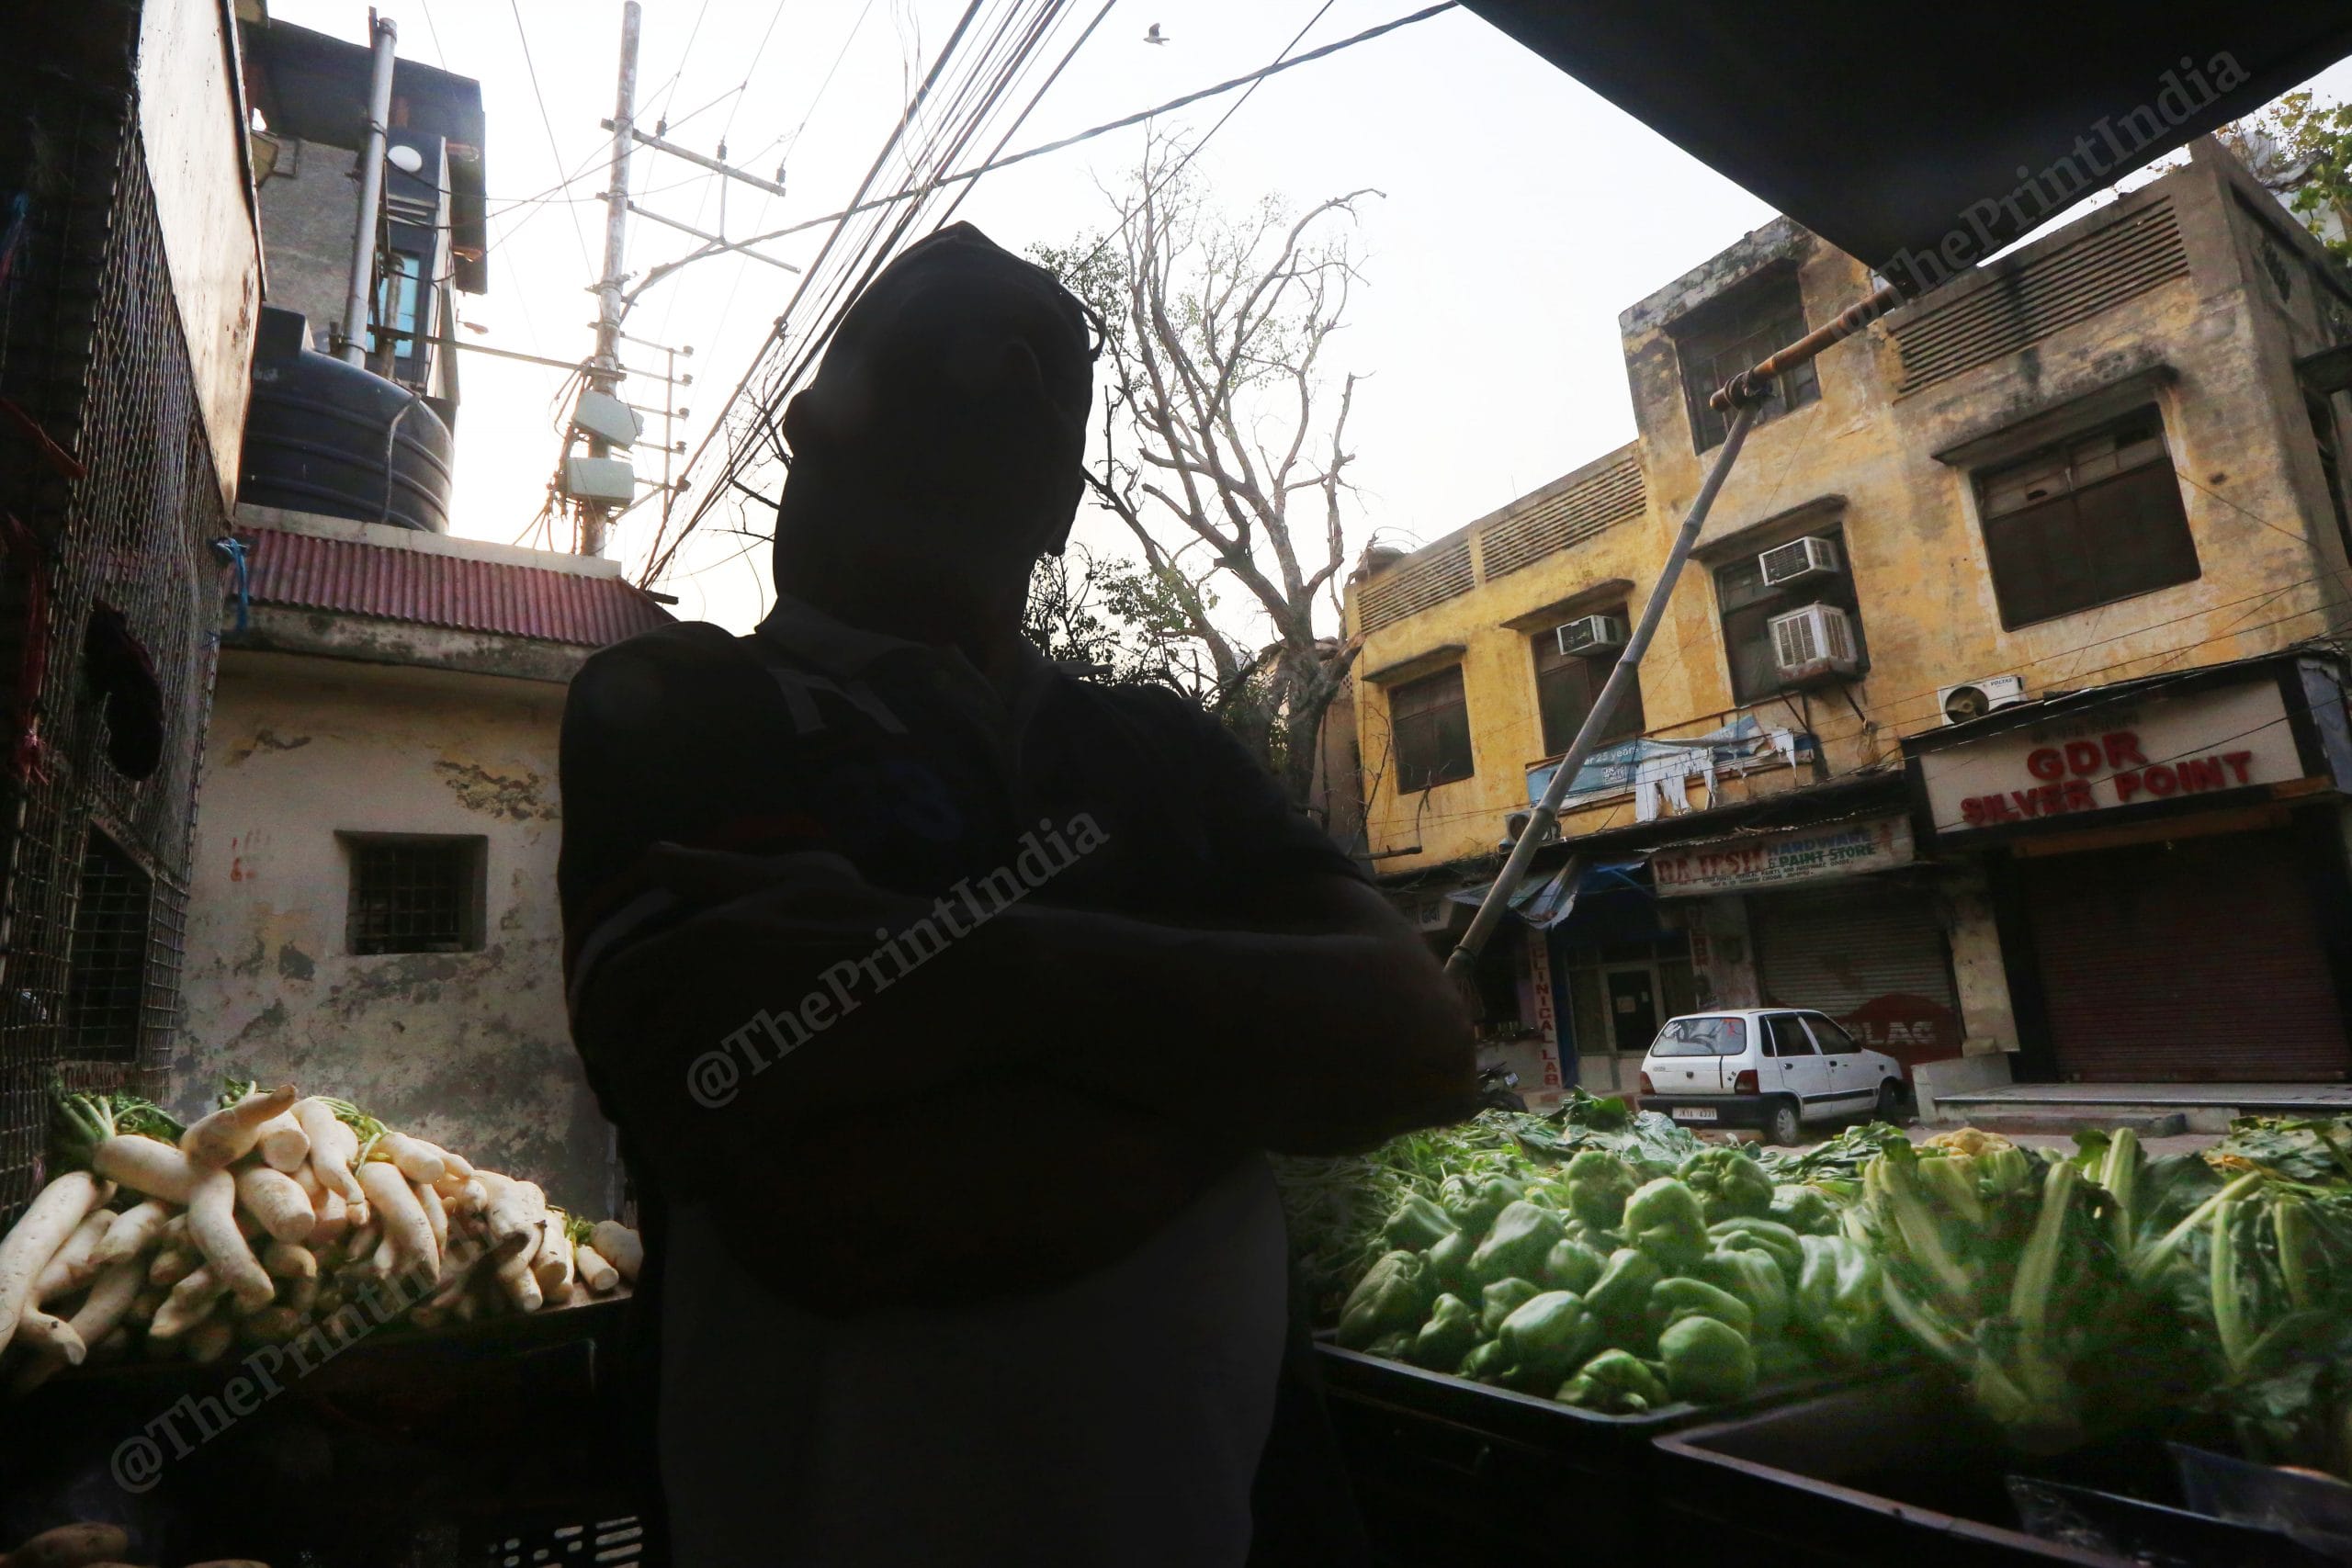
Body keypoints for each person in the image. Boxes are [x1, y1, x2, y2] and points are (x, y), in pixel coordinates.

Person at [558, 221, 1474, 1566]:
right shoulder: (684, 704)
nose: (1020, 383)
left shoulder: (1163, 744)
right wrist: (1248, 1085)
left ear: (1065, 503)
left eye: (1056, 373)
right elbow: (849, 1212)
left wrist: (951, 970)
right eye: (959, 346)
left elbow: (1420, 1040)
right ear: (810, 428)